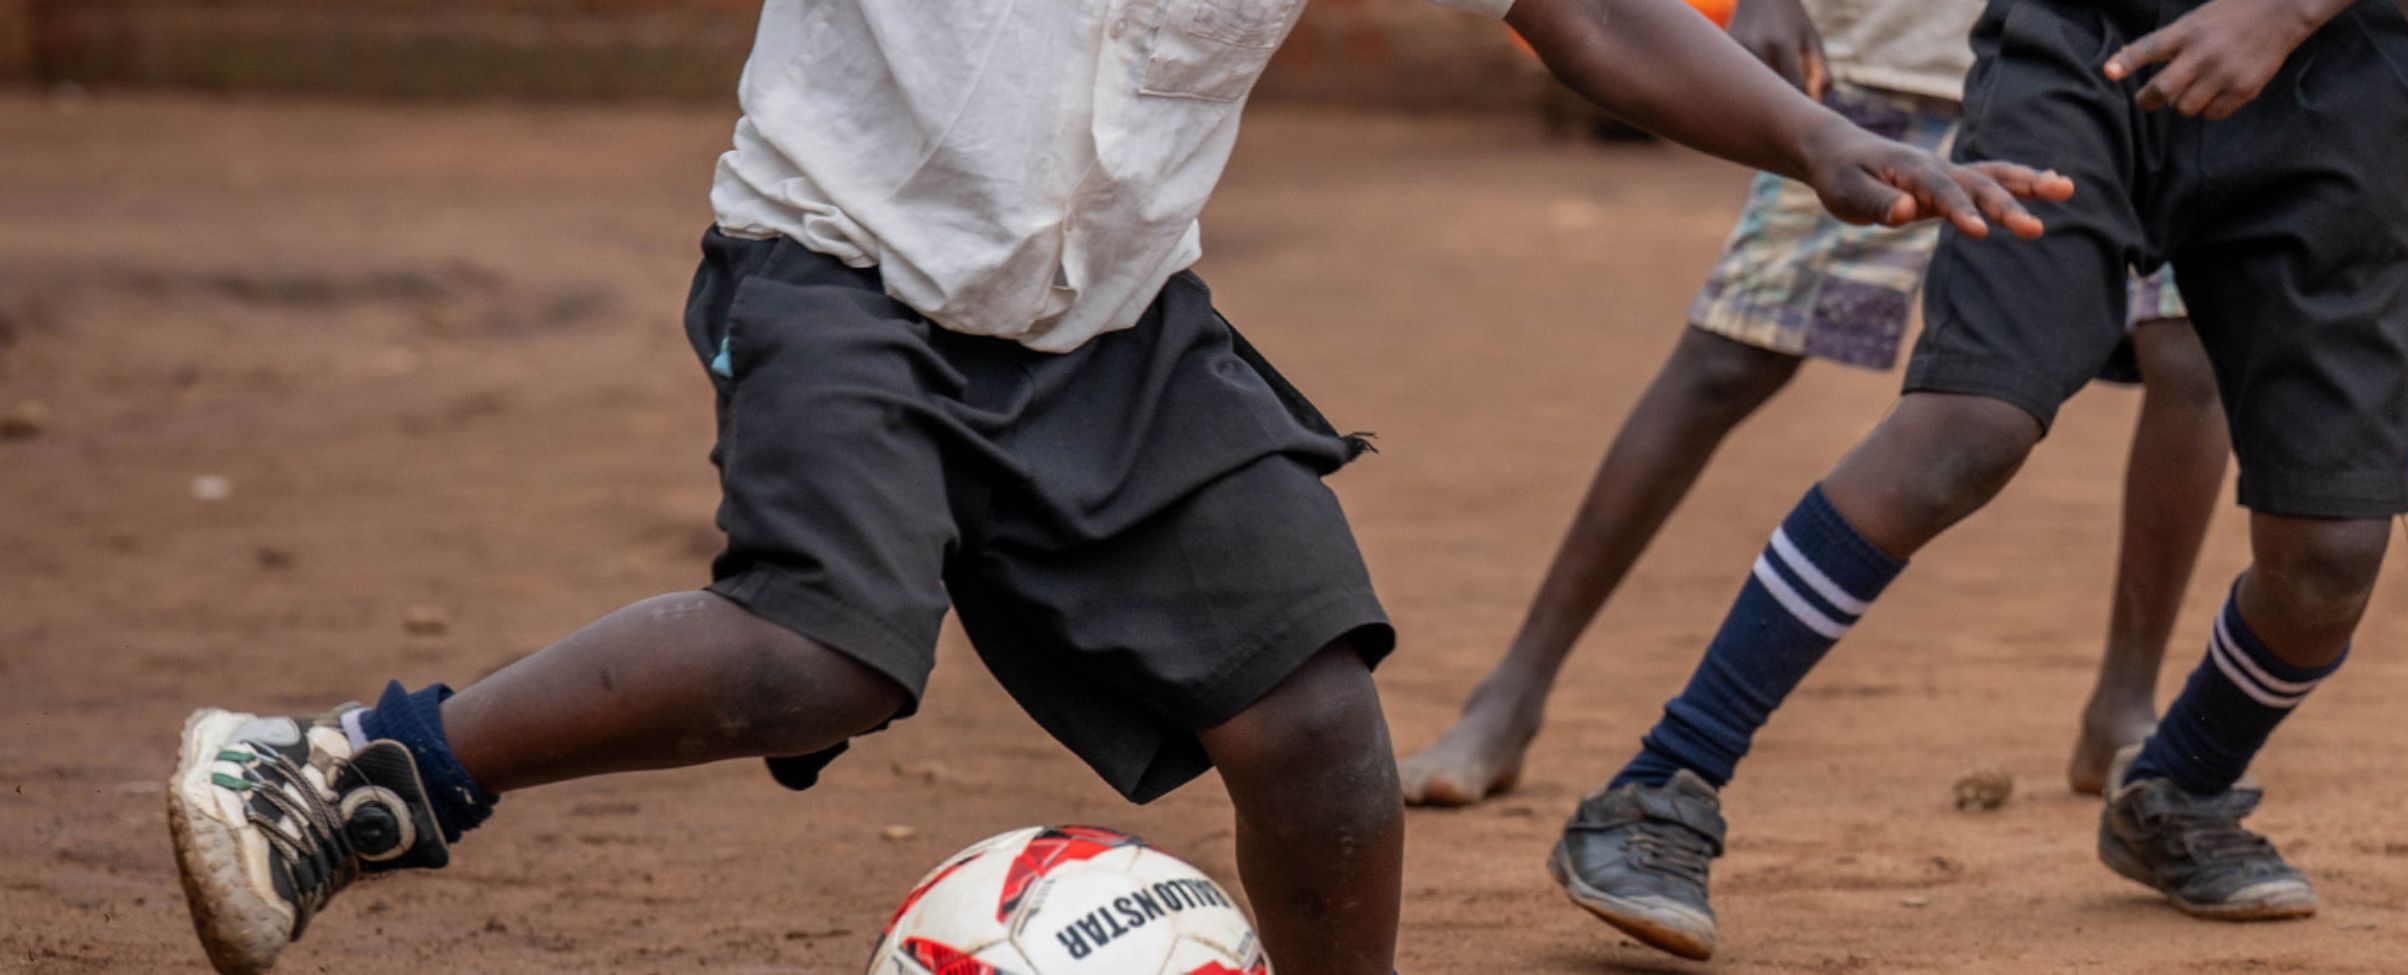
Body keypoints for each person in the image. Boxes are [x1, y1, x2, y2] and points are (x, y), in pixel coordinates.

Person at [159, 1, 2075, 973]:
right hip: (837, 262)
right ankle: (353, 768)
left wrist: (1821, 137)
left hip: (1109, 313)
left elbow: (1582, 16)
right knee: (823, 644)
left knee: (1320, 733)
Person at [1543, 0, 2408, 960]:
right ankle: (1663, 780)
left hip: (2329, 75)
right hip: (2082, 50)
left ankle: (2181, 788)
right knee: (1969, 424)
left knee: (2331, 558)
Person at [1399, 0, 2238, 810]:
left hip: (2123, 74)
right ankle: (1510, 695)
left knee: (2191, 354)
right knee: (1726, 360)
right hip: (1889, 63)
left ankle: (2124, 707)